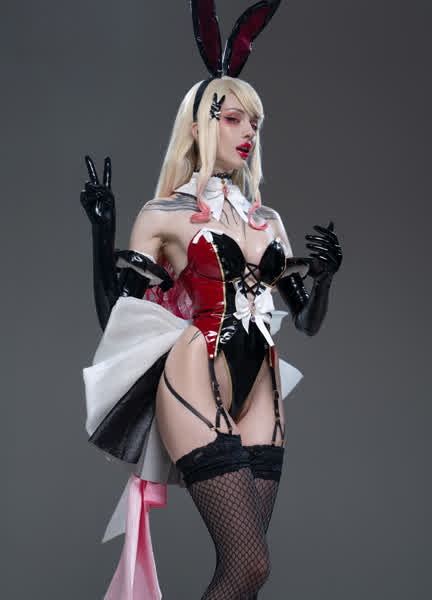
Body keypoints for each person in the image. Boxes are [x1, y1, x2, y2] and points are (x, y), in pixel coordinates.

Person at [81, 2, 343, 599]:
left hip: (261, 385)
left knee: (245, 578)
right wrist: (103, 233)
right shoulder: (163, 214)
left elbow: (305, 320)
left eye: (255, 122)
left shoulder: (269, 221)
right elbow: (115, 319)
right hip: (195, 372)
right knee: (249, 566)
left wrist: (325, 276)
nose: (248, 132)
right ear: (201, 125)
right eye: (233, 119)